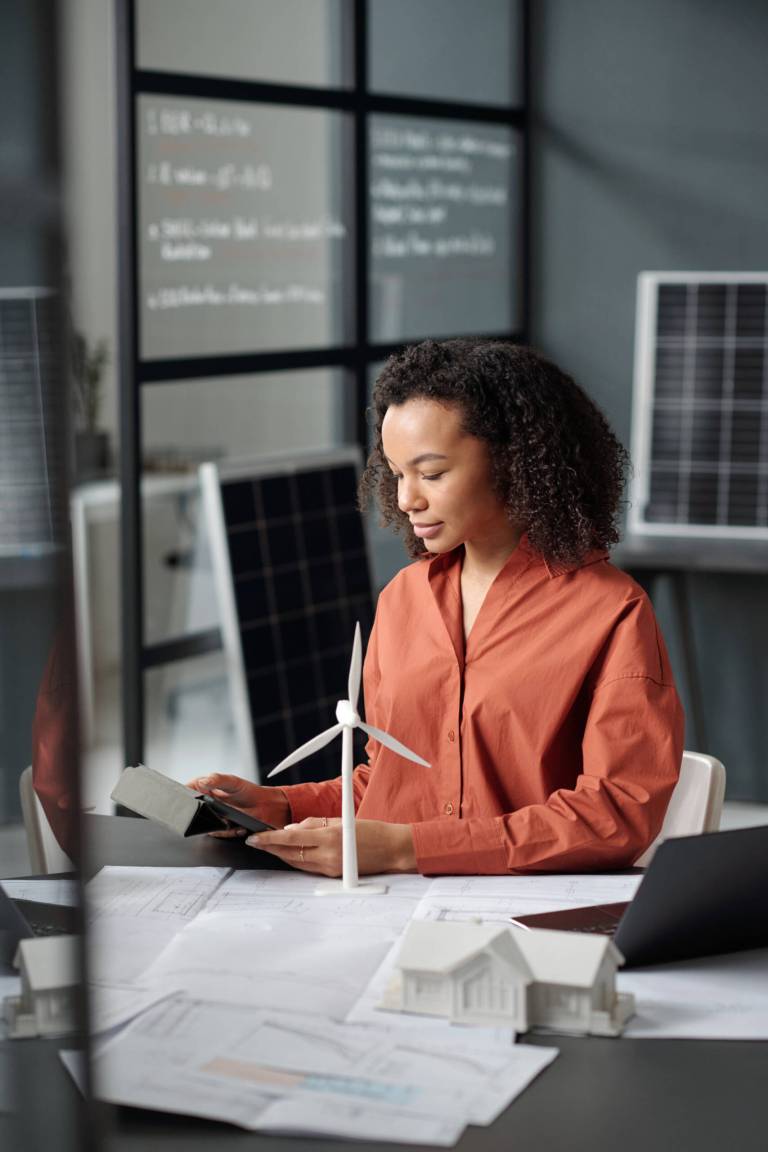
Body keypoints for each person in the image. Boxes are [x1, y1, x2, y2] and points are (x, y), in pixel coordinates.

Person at [190, 338, 684, 877]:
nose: (406, 499)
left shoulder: (611, 611)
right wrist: (282, 806)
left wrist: (410, 849)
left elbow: (616, 817)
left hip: (528, 916)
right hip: (391, 905)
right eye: (398, 474)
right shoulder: (404, 599)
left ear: (512, 460)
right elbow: (393, 783)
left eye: (432, 473)